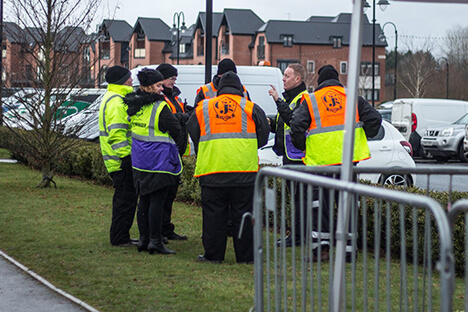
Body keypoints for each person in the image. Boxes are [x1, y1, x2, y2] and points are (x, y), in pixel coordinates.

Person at [290, 64, 382, 260]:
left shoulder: (312, 100)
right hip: (348, 163)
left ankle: (321, 250)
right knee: (347, 205)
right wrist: (366, 134)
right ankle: (348, 251)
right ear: (337, 80)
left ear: (320, 81)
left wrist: (302, 147)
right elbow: (375, 119)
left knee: (319, 206)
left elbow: (296, 126)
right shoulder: (352, 99)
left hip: (321, 164)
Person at [187, 71, 270, 264]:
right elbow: (264, 134)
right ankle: (246, 257)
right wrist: (248, 146)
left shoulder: (204, 107)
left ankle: (213, 256)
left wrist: (206, 146)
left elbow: (192, 128)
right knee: (244, 214)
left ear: (219, 89)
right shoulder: (250, 107)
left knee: (213, 216)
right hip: (244, 171)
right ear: (241, 89)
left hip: (212, 170)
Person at [124, 68, 186, 255]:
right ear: (149, 87)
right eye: (158, 85)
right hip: (158, 161)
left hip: (139, 161)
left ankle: (144, 240)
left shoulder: (135, 105)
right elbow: (176, 130)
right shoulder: (160, 107)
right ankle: (156, 241)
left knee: (144, 200)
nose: (161, 89)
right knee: (157, 202)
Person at [268, 63, 309, 248]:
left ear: (298, 79)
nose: (283, 79)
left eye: (287, 75)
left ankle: (298, 237)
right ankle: (297, 235)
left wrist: (278, 100)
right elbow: (281, 124)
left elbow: (293, 121)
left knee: (299, 200)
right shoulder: (291, 98)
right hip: (289, 156)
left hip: (298, 157)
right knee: (296, 199)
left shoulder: (303, 99)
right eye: (284, 75)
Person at [98, 65, 138, 247]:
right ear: (122, 80)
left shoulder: (114, 97)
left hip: (116, 160)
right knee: (125, 201)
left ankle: (122, 236)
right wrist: (126, 156)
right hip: (121, 161)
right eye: (129, 77)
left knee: (126, 200)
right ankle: (120, 238)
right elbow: (117, 134)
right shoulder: (117, 101)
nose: (132, 80)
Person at [155, 63, 191, 242]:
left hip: (175, 149)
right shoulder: (160, 97)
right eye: (171, 78)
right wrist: (184, 117)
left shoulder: (174, 97)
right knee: (163, 194)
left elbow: (178, 113)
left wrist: (188, 112)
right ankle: (160, 230)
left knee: (170, 194)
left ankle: (166, 228)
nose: (173, 82)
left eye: (174, 79)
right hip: (165, 150)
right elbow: (167, 119)